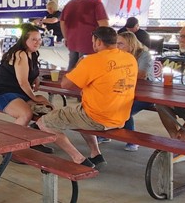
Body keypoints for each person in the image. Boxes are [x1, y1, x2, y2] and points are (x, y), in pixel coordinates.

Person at [36, 27, 137, 168]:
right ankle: (96, 154)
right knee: (79, 111)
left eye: (93, 41)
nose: (93, 44)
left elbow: (65, 84)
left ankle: (78, 158)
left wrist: (78, 66)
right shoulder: (129, 58)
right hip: (121, 118)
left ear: (99, 42)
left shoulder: (91, 61)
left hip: (97, 118)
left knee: (43, 123)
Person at [0, 24, 50, 127]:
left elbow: (27, 70)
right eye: (34, 39)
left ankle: (36, 130)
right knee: (26, 114)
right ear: (24, 40)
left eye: (39, 39)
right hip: (3, 92)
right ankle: (14, 137)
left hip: (21, 93)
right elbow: (23, 82)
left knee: (48, 109)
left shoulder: (33, 53)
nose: (38, 42)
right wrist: (34, 98)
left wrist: (36, 77)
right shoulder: (20, 54)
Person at [116, 32, 158, 152]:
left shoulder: (144, 55)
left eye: (121, 44)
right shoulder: (119, 55)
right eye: (116, 43)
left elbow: (141, 75)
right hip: (125, 91)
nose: (117, 46)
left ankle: (132, 141)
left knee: (124, 110)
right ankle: (103, 134)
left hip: (145, 94)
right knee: (105, 104)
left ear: (131, 44)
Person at [60, 0, 109, 70]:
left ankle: (68, 79)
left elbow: (62, 22)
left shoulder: (70, 4)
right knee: (87, 69)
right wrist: (105, 43)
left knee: (72, 68)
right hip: (90, 43)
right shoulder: (96, 3)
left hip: (72, 41)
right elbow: (104, 25)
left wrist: (66, 38)